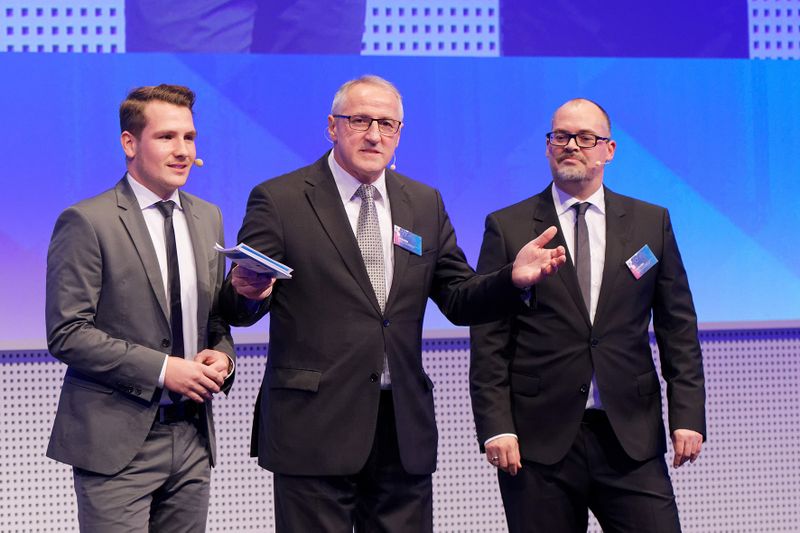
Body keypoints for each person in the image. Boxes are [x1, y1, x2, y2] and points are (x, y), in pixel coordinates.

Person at [219, 75, 567, 532]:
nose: (374, 134)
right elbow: (242, 298)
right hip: (313, 425)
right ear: (332, 126)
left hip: (402, 427)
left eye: (388, 123)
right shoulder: (281, 198)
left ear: (400, 132)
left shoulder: (423, 202)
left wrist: (511, 280)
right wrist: (248, 293)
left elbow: (458, 297)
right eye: (360, 120)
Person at [469, 98, 706, 532]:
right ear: (547, 146)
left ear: (609, 149)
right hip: (538, 442)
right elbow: (489, 339)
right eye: (560, 136)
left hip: (630, 435)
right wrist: (496, 426)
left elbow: (678, 328)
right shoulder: (509, 226)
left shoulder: (650, 223)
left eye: (584, 138)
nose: (571, 146)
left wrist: (687, 414)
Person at [46, 84, 236, 532]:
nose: (182, 150)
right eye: (167, 137)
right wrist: (162, 369)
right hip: (117, 441)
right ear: (129, 143)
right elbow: (68, 332)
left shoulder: (208, 216)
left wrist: (222, 357)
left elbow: (212, 318)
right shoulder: (87, 221)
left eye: (189, 138)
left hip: (192, 435)